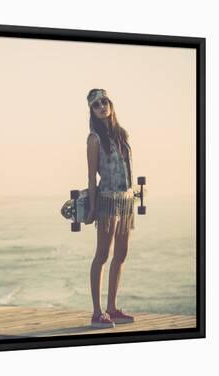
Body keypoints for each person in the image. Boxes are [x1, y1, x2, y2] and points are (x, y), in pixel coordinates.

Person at [84, 88, 136, 329]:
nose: (102, 106)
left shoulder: (122, 134)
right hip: (106, 200)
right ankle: (97, 313)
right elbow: (91, 177)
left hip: (126, 200)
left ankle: (112, 309)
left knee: (122, 254)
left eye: (105, 101)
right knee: (102, 255)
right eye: (96, 104)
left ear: (111, 104)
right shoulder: (94, 139)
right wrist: (93, 208)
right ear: (92, 111)